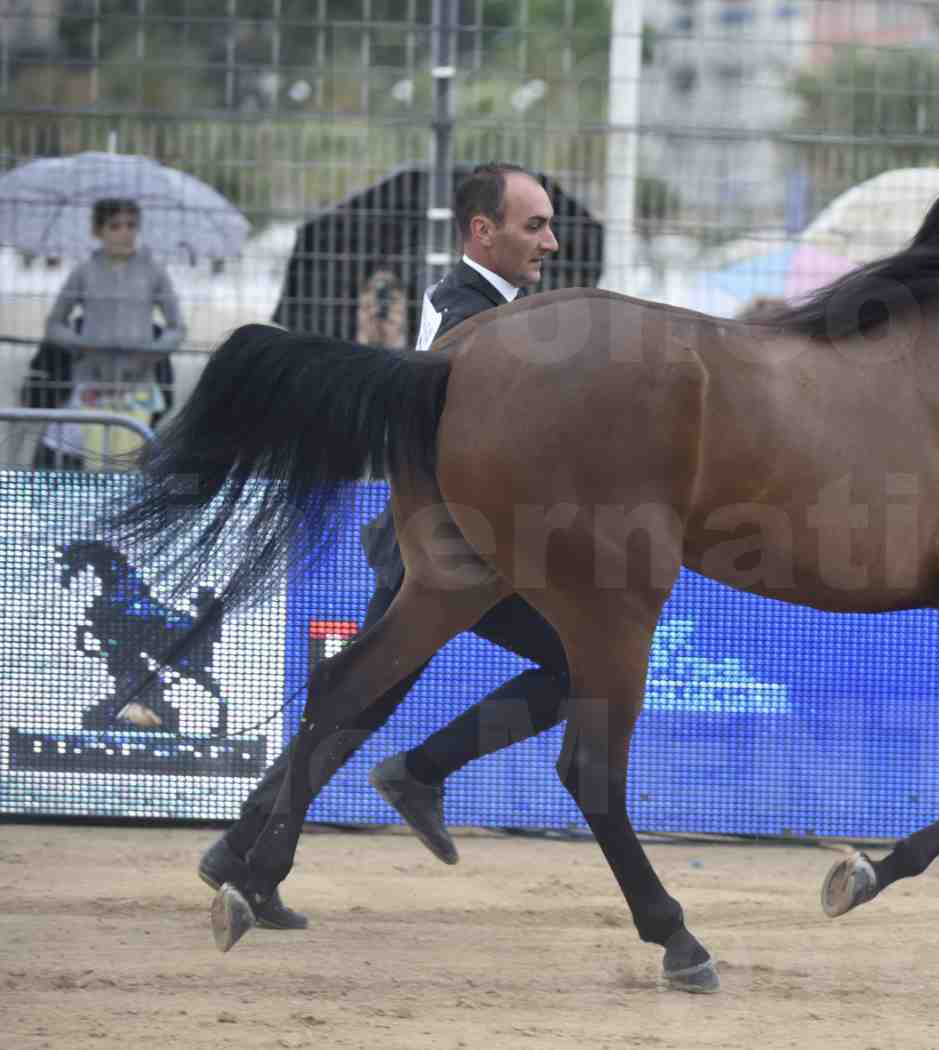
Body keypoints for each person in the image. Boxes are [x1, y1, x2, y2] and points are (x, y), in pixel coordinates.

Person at [199, 163, 565, 929]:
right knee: (363, 703)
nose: (551, 242)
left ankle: (251, 846)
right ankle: (400, 780)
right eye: (534, 226)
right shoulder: (460, 315)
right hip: (436, 554)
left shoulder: (501, 313)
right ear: (481, 231)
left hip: (469, 554)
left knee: (362, 704)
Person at [35, 198, 184, 470]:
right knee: (90, 461)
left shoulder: (154, 273)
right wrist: (82, 346)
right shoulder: (83, 272)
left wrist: (151, 352)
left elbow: (177, 328)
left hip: (137, 385)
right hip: (92, 383)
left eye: (131, 225)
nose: (125, 232)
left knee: (127, 464)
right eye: (115, 226)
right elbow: (54, 324)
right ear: (98, 231)